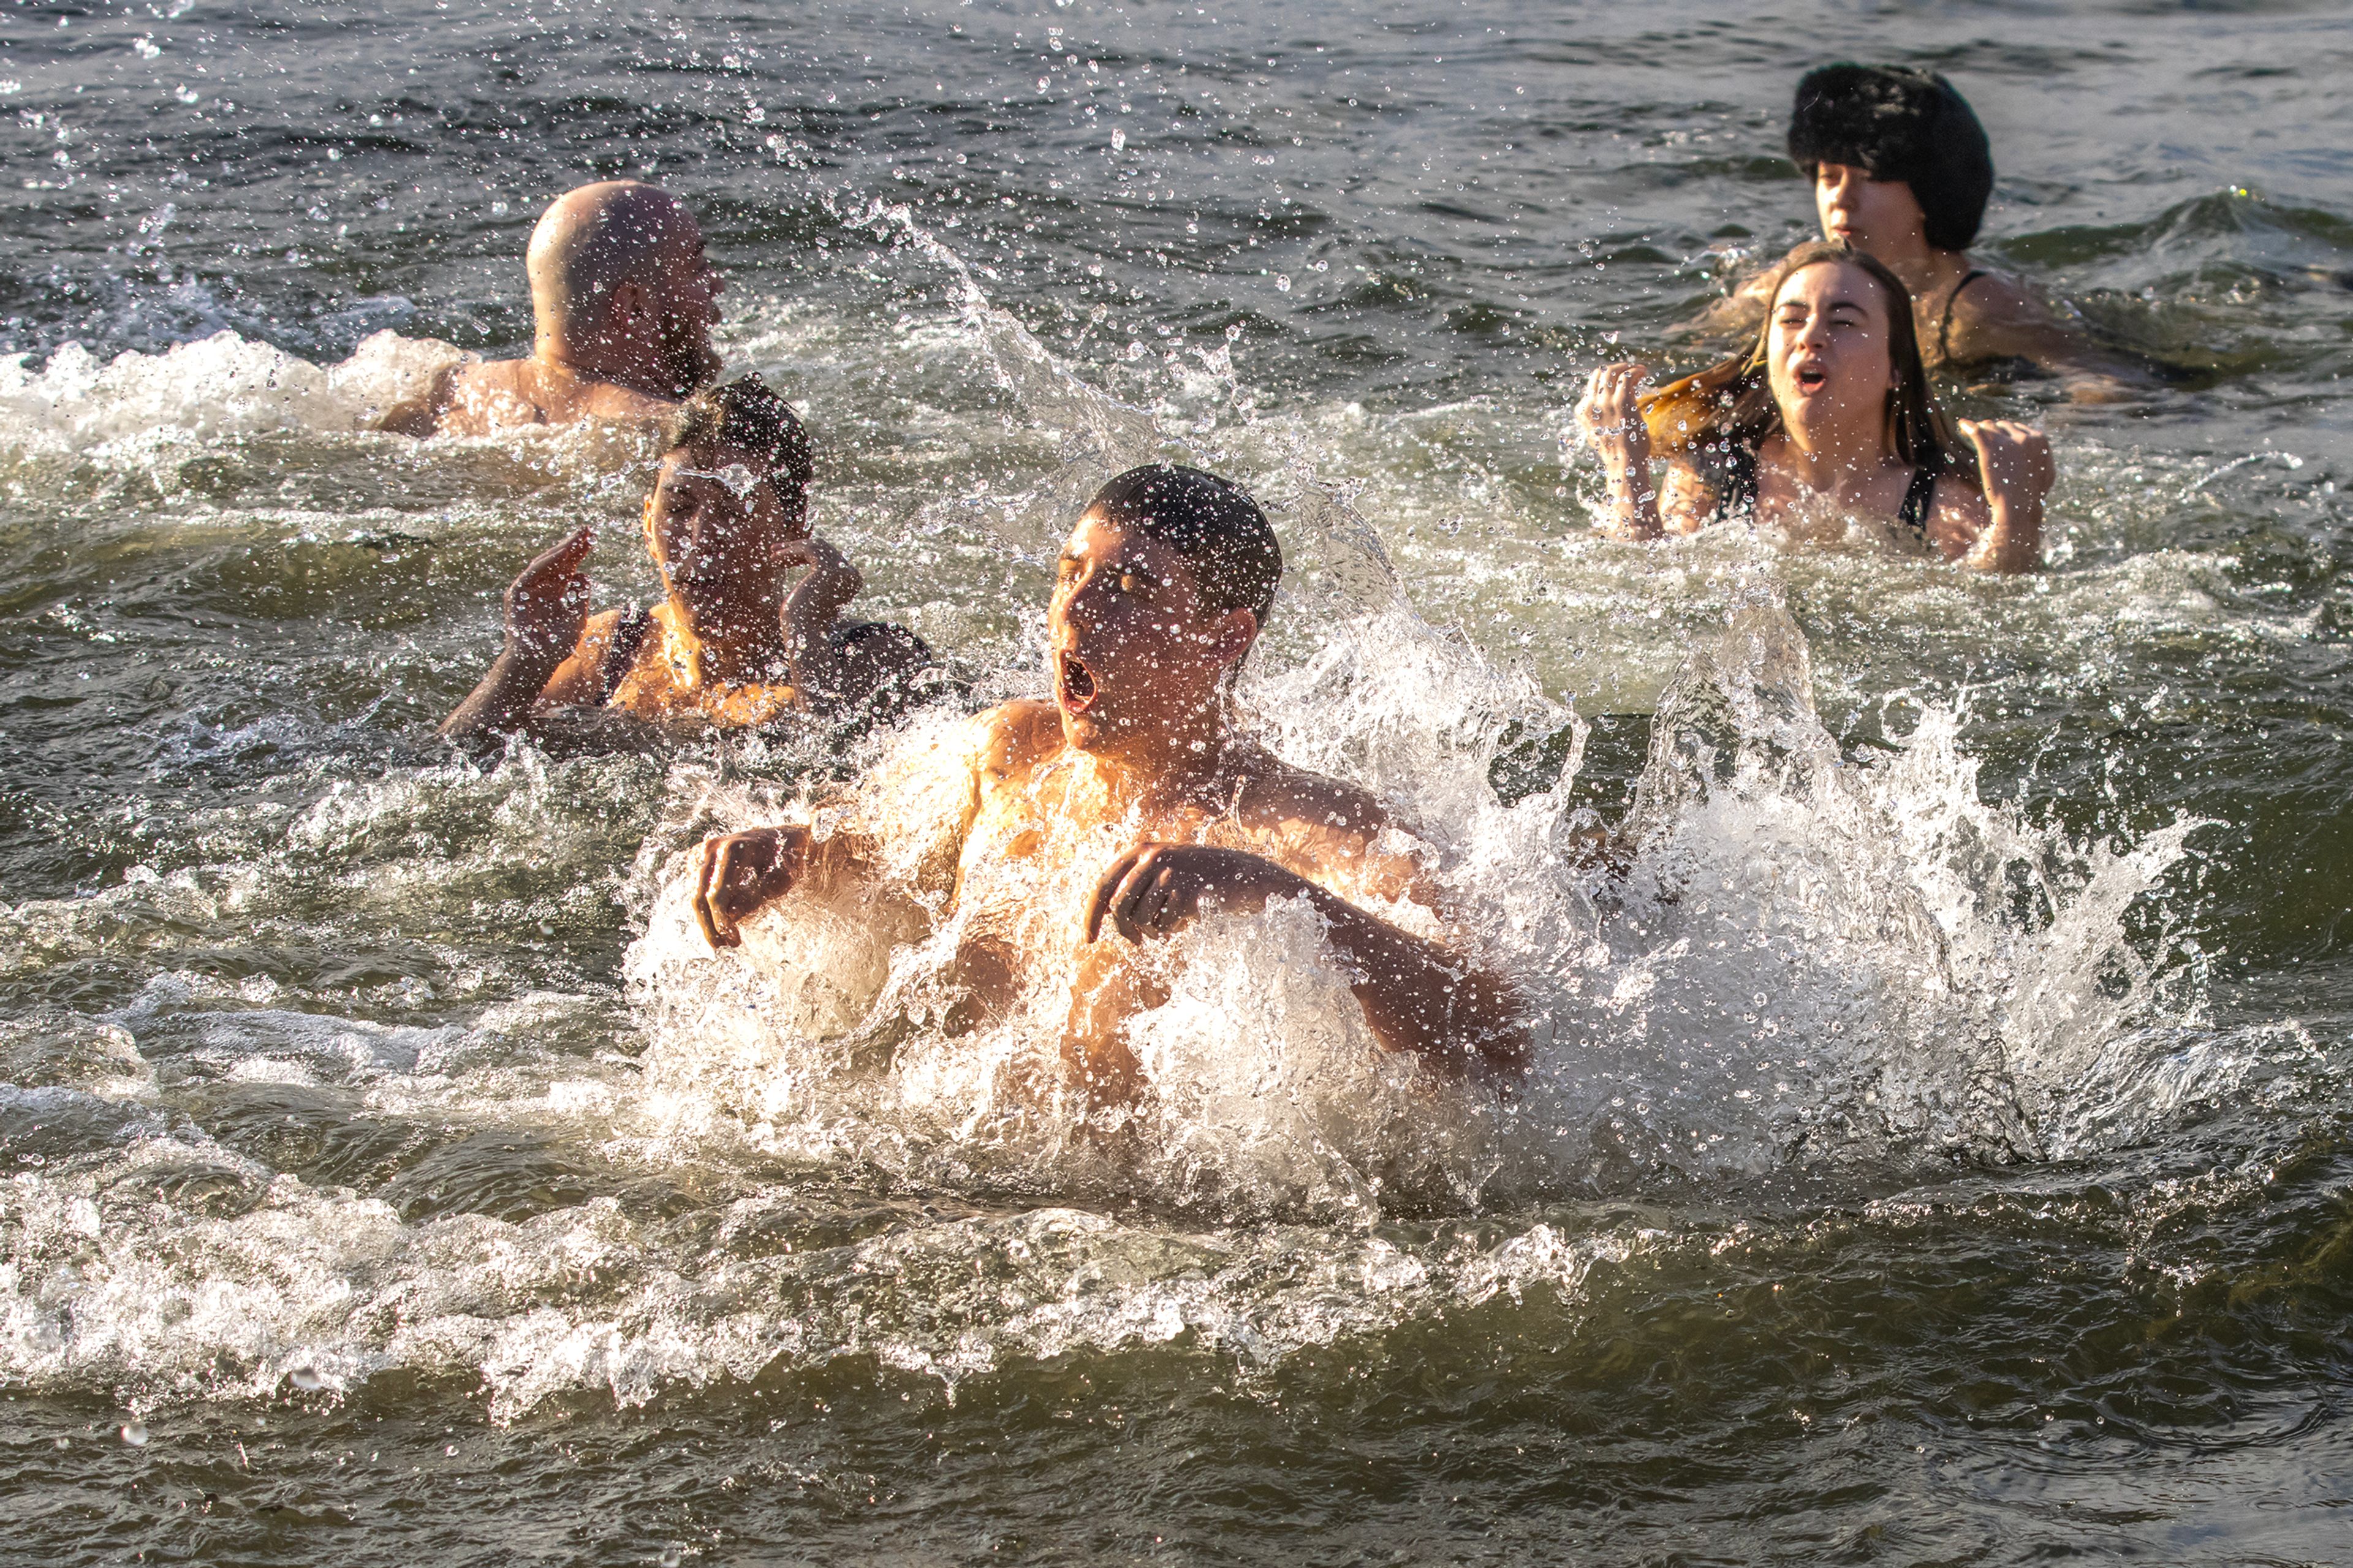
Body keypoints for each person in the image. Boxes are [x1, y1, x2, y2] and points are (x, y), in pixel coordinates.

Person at [688, 464, 1529, 1105]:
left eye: (1129, 588)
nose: (1073, 614)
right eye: (1068, 575)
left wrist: (1261, 889)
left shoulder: (1297, 829)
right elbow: (879, 876)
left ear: (1224, 637)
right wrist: (794, 861)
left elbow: (1499, 1037)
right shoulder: (1006, 753)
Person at [439, 377, 930, 740]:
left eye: (733, 511)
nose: (701, 538)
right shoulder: (610, 651)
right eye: (678, 509)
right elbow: (451, 769)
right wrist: (523, 662)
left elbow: (842, 776)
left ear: (794, 527)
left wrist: (804, 634)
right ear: (647, 523)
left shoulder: (872, 655)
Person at [1582, 242, 2053, 573]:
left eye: (1844, 321)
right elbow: (1643, 599)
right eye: (1791, 320)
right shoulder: (1713, 470)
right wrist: (1625, 468)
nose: (1810, 335)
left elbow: (1987, 620)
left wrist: (2017, 518)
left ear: (1896, 367)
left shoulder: (1943, 500)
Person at [1710, 64, 2150, 399]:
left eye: (1869, 178)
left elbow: (2113, 380)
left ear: (1928, 192)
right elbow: (1701, 340)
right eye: (1829, 178)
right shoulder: (1800, 277)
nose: (1840, 200)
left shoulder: (1975, 312)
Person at [382, 181, 725, 437]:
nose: (716, 285)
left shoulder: (443, 390)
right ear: (633, 307)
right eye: (697, 269)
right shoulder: (676, 437)